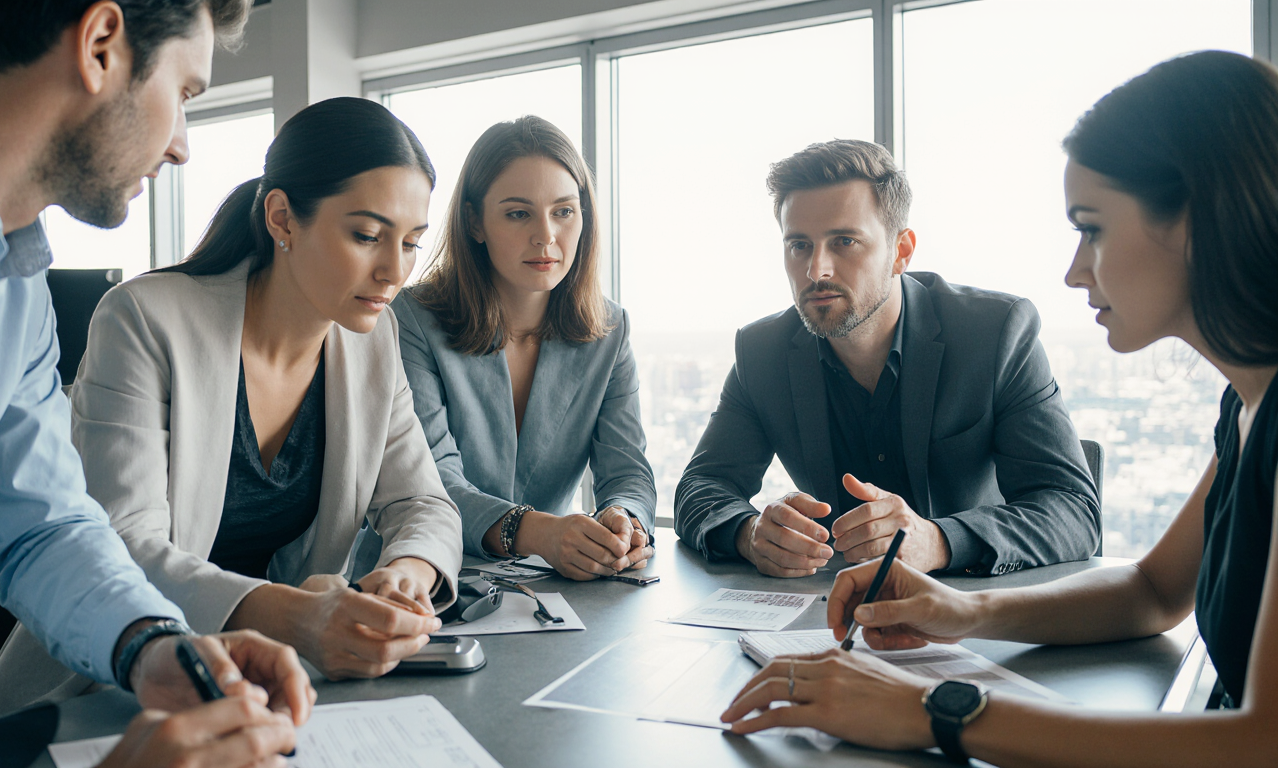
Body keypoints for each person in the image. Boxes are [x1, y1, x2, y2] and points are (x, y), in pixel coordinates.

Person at [721, 50, 1278, 766]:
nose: (1075, 269)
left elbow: (1264, 742)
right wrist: (960, 611)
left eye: (1093, 228)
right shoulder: (1249, 403)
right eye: (799, 245)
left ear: (1200, 221)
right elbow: (1153, 592)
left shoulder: (998, 332)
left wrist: (932, 709)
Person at [0, 1, 313, 765]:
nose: (183, 146)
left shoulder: (13, 288)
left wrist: (153, 644)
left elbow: (46, 526)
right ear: (99, 46)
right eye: (186, 94)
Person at [0, 97, 465, 717]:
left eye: (412, 242)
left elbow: (422, 502)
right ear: (283, 218)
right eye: (367, 235)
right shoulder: (146, 320)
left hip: (265, 686)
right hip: (109, 685)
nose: (394, 270)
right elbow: (123, 546)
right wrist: (296, 615)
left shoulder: (372, 343)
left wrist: (406, 575)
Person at [674, 139, 1100, 578]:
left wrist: (937, 541)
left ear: (901, 251)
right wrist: (749, 533)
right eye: (799, 245)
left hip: (973, 610)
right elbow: (700, 487)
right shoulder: (762, 351)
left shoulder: (994, 334)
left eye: (844, 241)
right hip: (830, 612)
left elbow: (1074, 510)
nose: (816, 269)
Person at [392, 116, 655, 580]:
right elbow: (432, 482)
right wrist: (540, 533)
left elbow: (627, 471)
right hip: (418, 580)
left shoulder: (610, 330)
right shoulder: (412, 318)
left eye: (564, 211)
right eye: (518, 213)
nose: (546, 236)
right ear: (475, 221)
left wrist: (623, 520)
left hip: (546, 590)